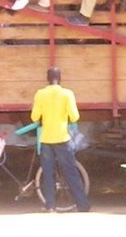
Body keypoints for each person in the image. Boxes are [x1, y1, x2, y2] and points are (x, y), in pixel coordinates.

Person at [30, 67, 90, 212]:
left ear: (47, 79)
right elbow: (75, 116)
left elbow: (34, 117)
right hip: (63, 138)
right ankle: (82, 205)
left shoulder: (40, 94)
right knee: (71, 172)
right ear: (60, 78)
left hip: (46, 140)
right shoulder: (67, 94)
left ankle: (50, 206)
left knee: (48, 174)